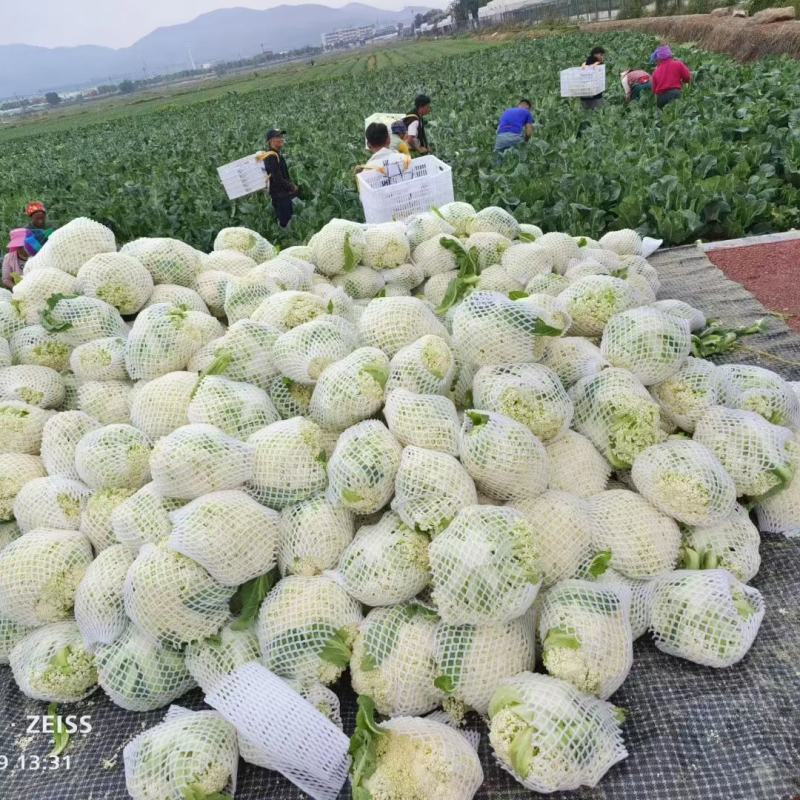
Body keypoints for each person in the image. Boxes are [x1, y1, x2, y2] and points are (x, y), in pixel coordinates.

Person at [2, 202, 53, 288]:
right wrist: (16, 288)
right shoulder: (9, 258)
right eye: (19, 246)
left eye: (25, 245)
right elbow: (6, 279)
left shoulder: (38, 256)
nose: (23, 248)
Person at [257, 128, 299, 228]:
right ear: (271, 141)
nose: (281, 139)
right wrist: (292, 187)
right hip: (280, 196)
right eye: (278, 137)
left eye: (281, 136)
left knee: (286, 220)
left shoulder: (275, 154)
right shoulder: (271, 156)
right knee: (285, 222)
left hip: (282, 195)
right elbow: (277, 178)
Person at [580, 47, 606, 111]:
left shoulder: (585, 63)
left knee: (586, 110)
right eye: (601, 55)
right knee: (596, 111)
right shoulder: (597, 63)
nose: (602, 56)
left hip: (585, 92)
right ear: (595, 54)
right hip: (595, 92)